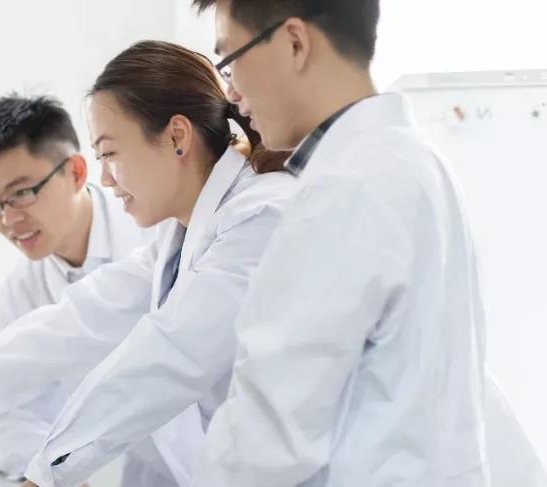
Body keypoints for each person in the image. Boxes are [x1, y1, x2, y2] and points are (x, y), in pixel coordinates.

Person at [0, 40, 299, 486]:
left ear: (177, 136)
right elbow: (80, 318)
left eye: (110, 154)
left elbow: (166, 359)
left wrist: (47, 475)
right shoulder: (177, 237)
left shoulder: (257, 218)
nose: (107, 179)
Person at [183, 0, 544, 485]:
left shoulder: (343, 189)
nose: (231, 94)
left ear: (294, 43)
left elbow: (267, 439)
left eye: (230, 60)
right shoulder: (414, 161)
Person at [0, 94, 167, 483]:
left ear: (76, 172)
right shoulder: (22, 287)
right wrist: (59, 473)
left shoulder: (154, 234)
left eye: (22, 193)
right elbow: (2, 420)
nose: (9, 219)